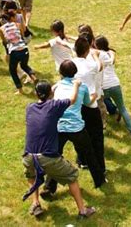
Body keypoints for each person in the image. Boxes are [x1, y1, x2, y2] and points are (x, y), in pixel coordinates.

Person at [23, 80, 96, 219]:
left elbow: (46, 94)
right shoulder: (55, 106)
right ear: (52, 93)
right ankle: (82, 211)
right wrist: (75, 85)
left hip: (28, 156)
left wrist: (56, 85)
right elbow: (73, 99)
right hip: (47, 157)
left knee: (32, 175)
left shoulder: (29, 107)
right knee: (72, 176)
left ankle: (36, 203)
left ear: (35, 93)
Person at [43, 60, 106, 195]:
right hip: (76, 128)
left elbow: (50, 98)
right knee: (90, 154)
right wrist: (94, 96)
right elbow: (88, 103)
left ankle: (49, 187)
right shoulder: (81, 87)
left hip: (60, 127)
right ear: (75, 72)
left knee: (55, 157)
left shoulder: (57, 86)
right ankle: (99, 180)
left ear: (60, 73)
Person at [71, 36, 106, 174]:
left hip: (75, 105)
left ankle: (82, 160)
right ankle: (100, 169)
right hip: (90, 105)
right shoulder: (90, 65)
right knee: (96, 137)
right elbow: (100, 66)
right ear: (86, 51)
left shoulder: (70, 63)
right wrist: (96, 55)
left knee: (79, 134)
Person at [95, 36, 131, 138]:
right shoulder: (110, 53)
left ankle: (102, 127)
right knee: (123, 108)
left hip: (104, 87)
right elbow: (112, 58)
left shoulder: (95, 54)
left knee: (97, 106)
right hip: (115, 84)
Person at [0, 11, 38, 94]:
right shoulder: (18, 25)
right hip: (24, 49)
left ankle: (20, 90)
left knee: (12, 70)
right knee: (24, 65)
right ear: (12, 18)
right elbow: (22, 34)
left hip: (14, 51)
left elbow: (4, 41)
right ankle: (33, 77)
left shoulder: (1, 29)